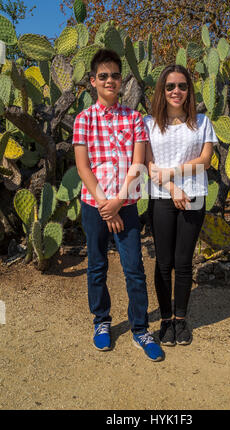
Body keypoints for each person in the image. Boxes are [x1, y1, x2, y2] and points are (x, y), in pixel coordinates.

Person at [72, 49, 163, 362]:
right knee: (96, 266)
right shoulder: (83, 120)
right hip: (94, 205)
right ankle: (102, 322)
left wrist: (117, 201)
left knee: (134, 268)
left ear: (121, 80)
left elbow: (138, 164)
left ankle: (140, 329)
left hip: (125, 205)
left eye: (114, 75)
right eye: (103, 76)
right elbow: (83, 167)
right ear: (93, 81)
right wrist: (103, 204)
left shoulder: (134, 118)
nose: (109, 80)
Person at [144, 64, 218, 347]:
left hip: (195, 196)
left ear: (189, 90)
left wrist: (173, 174)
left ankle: (181, 320)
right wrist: (173, 187)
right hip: (163, 197)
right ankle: (165, 321)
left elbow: (205, 161)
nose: (177, 91)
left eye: (182, 86)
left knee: (183, 262)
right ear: (163, 90)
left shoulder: (202, 122)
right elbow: (149, 165)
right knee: (163, 263)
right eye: (171, 86)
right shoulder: (149, 124)